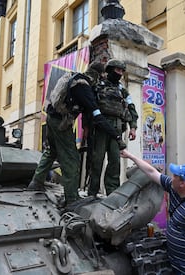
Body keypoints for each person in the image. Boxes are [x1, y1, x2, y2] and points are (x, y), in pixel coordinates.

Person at [28, 62, 125, 206]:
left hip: (51, 118)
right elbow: (96, 115)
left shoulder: (76, 78)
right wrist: (116, 136)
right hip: (62, 122)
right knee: (71, 159)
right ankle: (72, 199)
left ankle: (36, 182)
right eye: (102, 75)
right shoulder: (84, 87)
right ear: (98, 75)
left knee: (51, 151)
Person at [120, 149, 185, 275]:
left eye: (175, 176)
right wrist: (130, 156)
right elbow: (151, 172)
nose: (172, 178)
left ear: (182, 183)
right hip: (179, 267)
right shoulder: (176, 190)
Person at [87, 59, 138, 197]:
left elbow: (132, 108)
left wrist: (133, 127)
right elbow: (89, 106)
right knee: (97, 161)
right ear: (110, 70)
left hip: (117, 127)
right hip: (101, 127)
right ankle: (92, 193)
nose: (120, 73)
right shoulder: (98, 86)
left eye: (122, 71)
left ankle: (112, 193)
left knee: (115, 162)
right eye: (118, 70)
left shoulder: (122, 90)